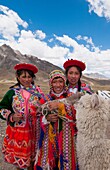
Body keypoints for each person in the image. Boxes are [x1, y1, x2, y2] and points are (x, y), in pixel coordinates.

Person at [0, 63, 45, 170]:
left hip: (34, 132)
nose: (26, 79)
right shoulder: (12, 93)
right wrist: (11, 116)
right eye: (23, 76)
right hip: (17, 133)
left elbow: (44, 107)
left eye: (29, 77)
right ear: (18, 77)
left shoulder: (38, 92)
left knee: (33, 160)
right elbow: (1, 108)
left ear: (33, 78)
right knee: (19, 162)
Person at [34, 70, 77, 170]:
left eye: (60, 81)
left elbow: (76, 115)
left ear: (64, 83)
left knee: (66, 163)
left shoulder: (71, 98)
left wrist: (61, 106)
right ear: (51, 84)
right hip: (48, 139)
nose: (58, 85)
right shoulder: (45, 98)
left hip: (67, 139)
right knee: (47, 163)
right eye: (55, 82)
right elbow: (37, 116)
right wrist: (46, 118)